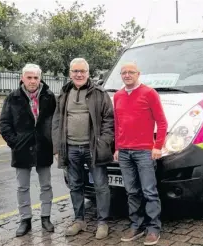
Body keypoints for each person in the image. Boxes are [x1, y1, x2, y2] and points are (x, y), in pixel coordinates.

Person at [52, 58, 114, 239]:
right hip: (70, 148)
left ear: (88, 73)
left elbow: (109, 120)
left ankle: (103, 222)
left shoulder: (100, 93)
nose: (79, 74)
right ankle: (79, 220)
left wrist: (103, 143)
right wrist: (57, 148)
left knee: (101, 186)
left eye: (82, 71)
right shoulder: (64, 93)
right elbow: (56, 122)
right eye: (75, 71)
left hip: (93, 148)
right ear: (70, 73)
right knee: (75, 185)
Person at [113, 62, 168, 245]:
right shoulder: (118, 95)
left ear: (138, 74)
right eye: (124, 73)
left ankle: (153, 228)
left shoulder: (149, 93)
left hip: (144, 151)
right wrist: (118, 148)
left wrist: (158, 146)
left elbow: (161, 122)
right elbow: (118, 124)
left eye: (131, 72)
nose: (127, 75)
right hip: (124, 152)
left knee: (149, 191)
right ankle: (136, 225)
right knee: (131, 191)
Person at [0, 64, 56, 237]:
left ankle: (46, 217)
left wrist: (52, 142)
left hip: (44, 147)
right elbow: (4, 124)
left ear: (40, 78)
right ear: (22, 78)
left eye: (36, 78)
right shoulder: (12, 98)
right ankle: (25, 220)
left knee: (46, 185)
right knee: (22, 187)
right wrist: (15, 143)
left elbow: (56, 121)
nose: (32, 81)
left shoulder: (49, 97)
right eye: (29, 77)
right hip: (21, 149)